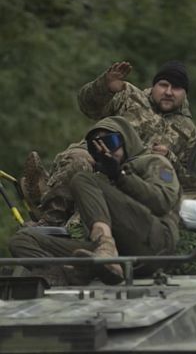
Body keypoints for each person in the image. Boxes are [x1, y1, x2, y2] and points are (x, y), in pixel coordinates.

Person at [21, 60, 196, 227]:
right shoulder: (130, 96)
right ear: (154, 86)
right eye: (163, 85)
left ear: (185, 93)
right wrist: (104, 87)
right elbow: (87, 106)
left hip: (132, 177)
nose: (168, 92)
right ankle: (48, 219)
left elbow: (188, 178)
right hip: (97, 154)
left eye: (176, 88)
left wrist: (169, 157)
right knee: (79, 160)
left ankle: (42, 192)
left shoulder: (189, 130)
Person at [9, 116, 181, 286]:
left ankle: (106, 250)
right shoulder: (100, 177)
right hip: (117, 254)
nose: (106, 150)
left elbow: (163, 202)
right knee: (22, 240)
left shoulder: (152, 162)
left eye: (111, 141)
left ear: (127, 140)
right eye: (95, 146)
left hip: (154, 243)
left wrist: (120, 176)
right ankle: (63, 273)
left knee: (81, 179)